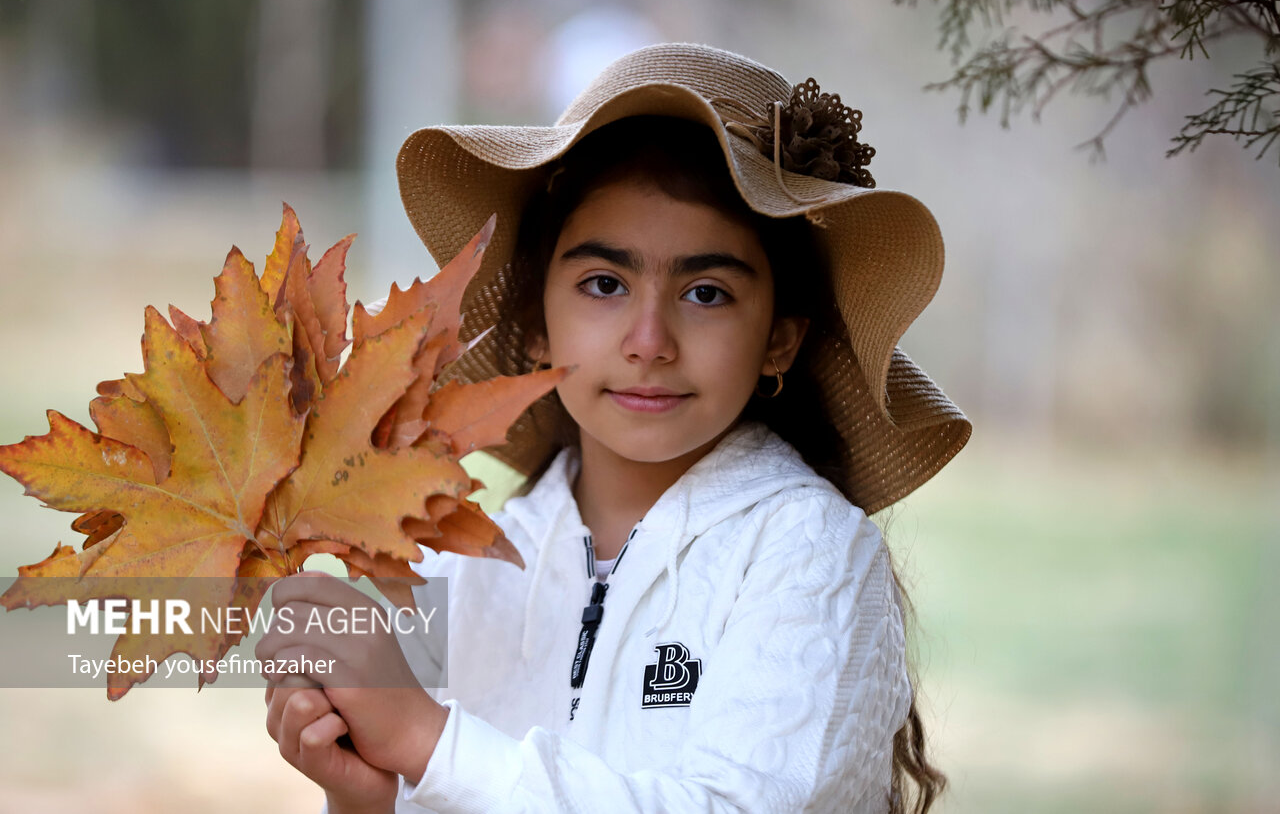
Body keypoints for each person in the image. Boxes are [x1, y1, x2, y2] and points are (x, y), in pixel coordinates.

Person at [258, 42, 972, 814]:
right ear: (535, 327)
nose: (648, 339)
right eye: (604, 284)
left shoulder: (808, 555)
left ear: (780, 338)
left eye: (705, 293)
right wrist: (363, 795)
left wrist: (430, 742)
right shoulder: (465, 577)